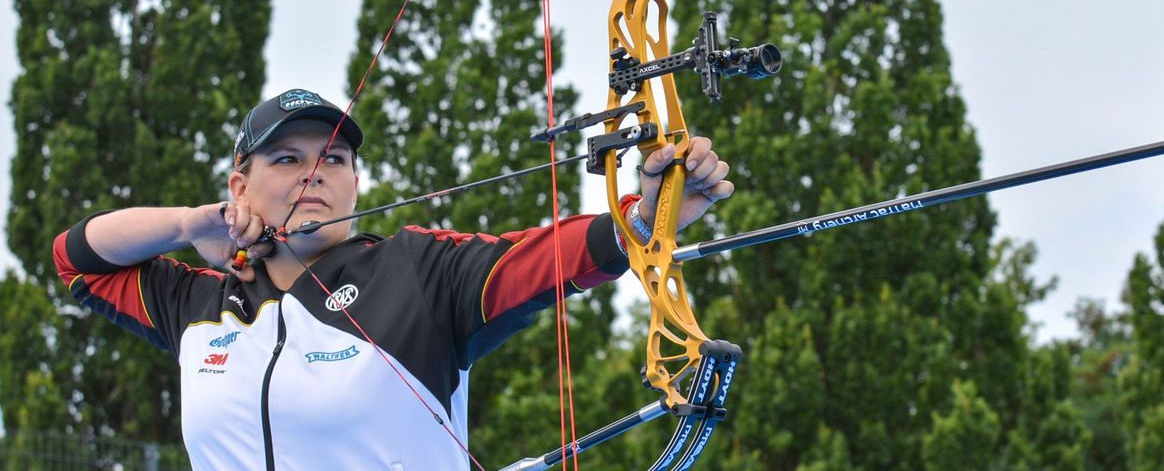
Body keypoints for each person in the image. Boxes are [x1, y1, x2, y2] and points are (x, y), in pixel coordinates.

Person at [52, 88, 732, 470]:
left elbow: (544, 258)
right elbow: (74, 258)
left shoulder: (415, 270)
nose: (314, 173)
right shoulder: (201, 305)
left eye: (335, 158)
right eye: (286, 159)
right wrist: (193, 222)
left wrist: (645, 216)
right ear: (241, 184)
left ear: (357, 182)